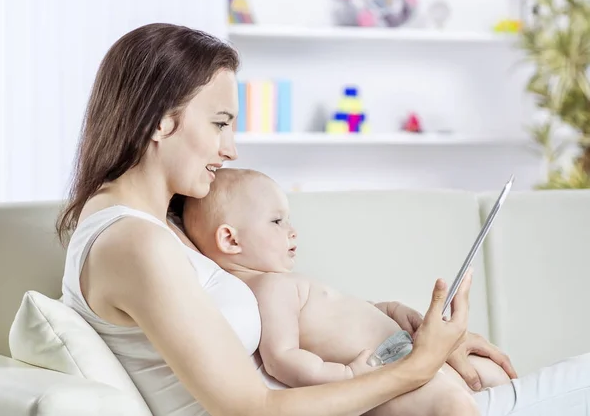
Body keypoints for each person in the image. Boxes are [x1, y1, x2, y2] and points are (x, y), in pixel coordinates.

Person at [56, 23, 590, 416]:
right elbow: (251, 407)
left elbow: (268, 325)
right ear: (159, 122)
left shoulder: (158, 228)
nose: (231, 148)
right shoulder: (133, 244)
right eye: (219, 123)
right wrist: (414, 367)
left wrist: (398, 325)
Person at [181, 167, 512, 416]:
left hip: (404, 353)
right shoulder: (268, 289)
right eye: (276, 222)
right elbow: (281, 359)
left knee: (492, 375)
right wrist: (348, 375)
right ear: (231, 240)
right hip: (381, 375)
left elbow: (344, 316)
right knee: (454, 404)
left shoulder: (282, 282)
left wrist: (392, 309)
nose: (292, 231)